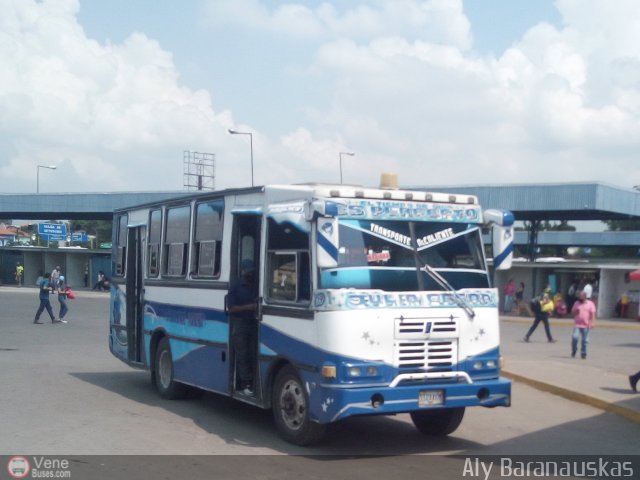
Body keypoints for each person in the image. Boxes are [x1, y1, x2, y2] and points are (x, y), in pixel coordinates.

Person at [228, 259, 257, 395]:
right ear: (243, 271)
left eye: (252, 272)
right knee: (242, 354)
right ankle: (245, 383)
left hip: (252, 322)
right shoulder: (235, 286)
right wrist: (248, 307)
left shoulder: (254, 285)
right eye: (248, 272)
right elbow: (231, 308)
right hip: (239, 323)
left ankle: (253, 381)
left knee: (252, 352)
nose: (250, 274)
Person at [571, 291, 596, 359]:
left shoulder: (590, 304)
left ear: (585, 297)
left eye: (581, 297)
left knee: (584, 340)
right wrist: (575, 311)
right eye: (579, 297)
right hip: (577, 325)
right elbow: (573, 312)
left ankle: (583, 353)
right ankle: (574, 350)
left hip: (586, 325)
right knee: (575, 337)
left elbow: (593, 314)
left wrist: (593, 323)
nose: (580, 298)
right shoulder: (576, 303)